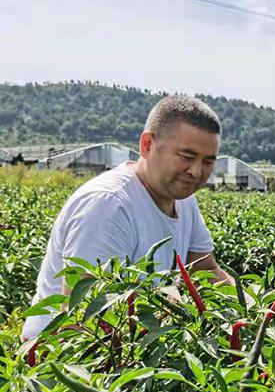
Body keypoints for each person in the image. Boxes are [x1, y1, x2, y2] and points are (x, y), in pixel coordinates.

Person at [22, 95, 234, 340]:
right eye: (186, 156)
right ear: (147, 145)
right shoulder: (108, 205)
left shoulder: (184, 199)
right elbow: (80, 322)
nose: (196, 171)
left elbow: (203, 268)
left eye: (208, 161)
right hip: (54, 359)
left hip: (128, 347)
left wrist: (256, 312)